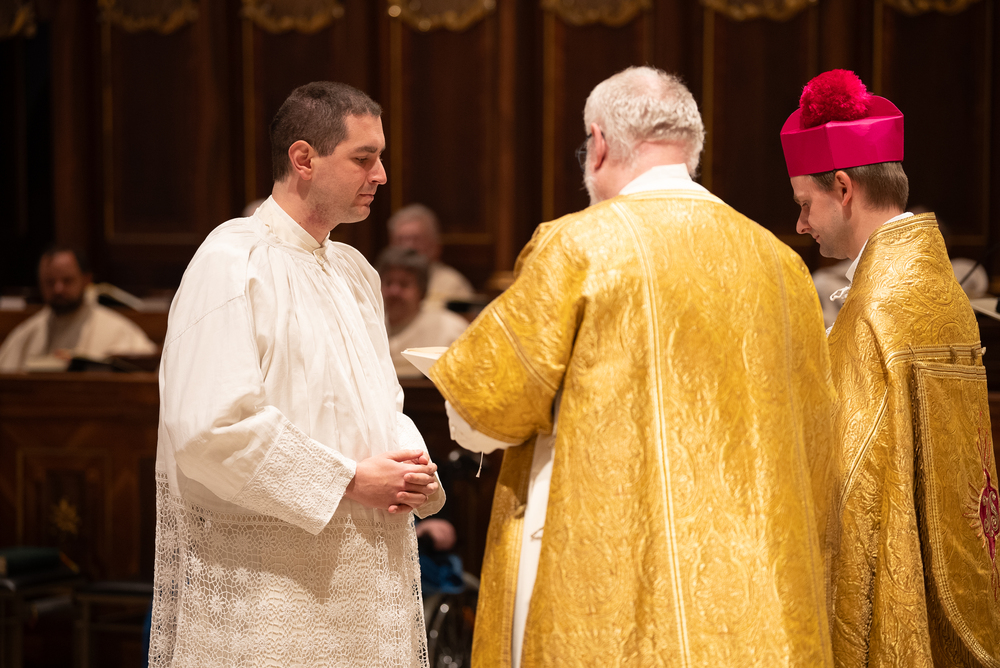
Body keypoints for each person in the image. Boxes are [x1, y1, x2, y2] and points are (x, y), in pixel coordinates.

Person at [428, 66, 837, 667]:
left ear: (598, 144)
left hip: (608, 568)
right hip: (750, 578)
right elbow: (816, 437)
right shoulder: (780, 264)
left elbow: (483, 413)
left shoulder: (580, 244)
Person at [150, 82, 445, 668]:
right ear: (303, 158)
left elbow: (381, 404)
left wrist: (412, 470)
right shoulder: (232, 261)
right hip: (271, 592)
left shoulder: (356, 271)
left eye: (380, 157)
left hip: (364, 582)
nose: (381, 175)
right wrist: (349, 481)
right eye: (364, 158)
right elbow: (210, 428)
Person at [780, 69, 999, 667]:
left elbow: (849, 485)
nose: (801, 225)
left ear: (844, 188)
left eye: (806, 204)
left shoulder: (873, 311)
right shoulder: (938, 291)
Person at [0, 246, 157, 371]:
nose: (58, 289)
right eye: (50, 282)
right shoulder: (28, 333)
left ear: (86, 280)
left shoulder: (117, 330)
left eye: (67, 281)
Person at [376, 246, 468, 378]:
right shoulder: (363, 325)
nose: (394, 291)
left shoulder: (451, 330)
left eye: (404, 284)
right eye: (388, 283)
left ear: (422, 292)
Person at [387, 204, 474, 307]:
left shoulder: (453, 286)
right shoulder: (378, 281)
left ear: (434, 244)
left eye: (416, 239)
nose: (408, 246)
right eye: (401, 239)